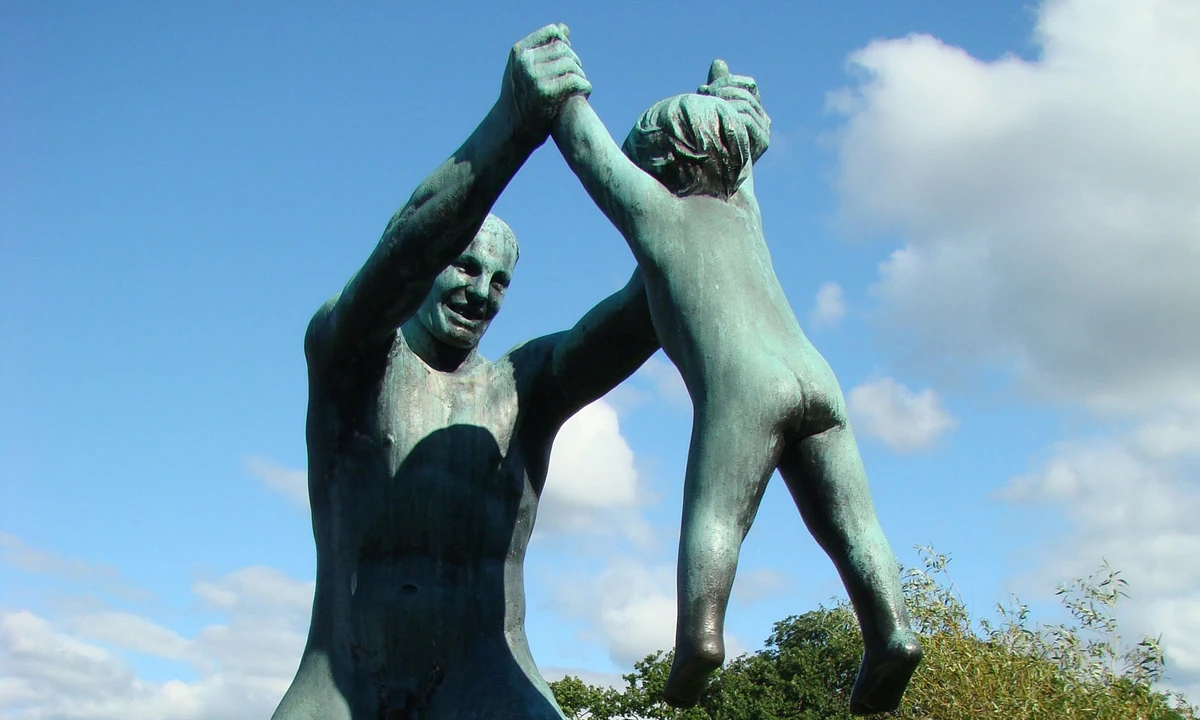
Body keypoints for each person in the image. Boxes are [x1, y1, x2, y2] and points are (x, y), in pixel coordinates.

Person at [271, 25, 663, 720]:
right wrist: (509, 128)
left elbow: (638, 317)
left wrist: (706, 198)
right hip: (344, 678)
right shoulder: (352, 356)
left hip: (484, 675)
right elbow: (397, 256)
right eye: (466, 265)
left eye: (500, 280)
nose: (481, 290)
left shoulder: (522, 385)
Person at [550, 60, 922, 715]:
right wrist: (732, 101)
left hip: (746, 386)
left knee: (717, 514)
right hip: (818, 379)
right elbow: (745, 159)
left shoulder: (659, 218)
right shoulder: (745, 213)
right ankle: (890, 630)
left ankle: (700, 638)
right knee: (855, 525)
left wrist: (562, 96)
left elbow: (591, 156)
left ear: (658, 166)